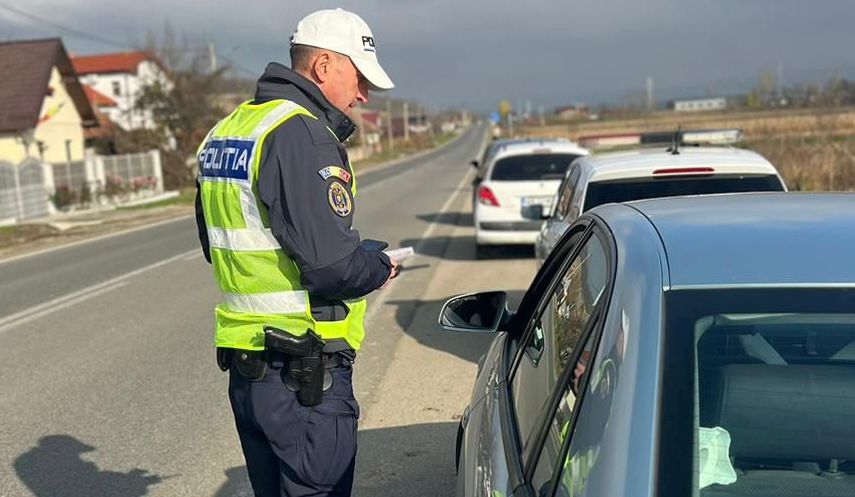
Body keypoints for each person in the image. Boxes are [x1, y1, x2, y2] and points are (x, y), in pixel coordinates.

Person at [194, 8, 398, 497]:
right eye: (359, 78)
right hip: (304, 376)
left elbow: (217, 246)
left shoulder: (229, 129)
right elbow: (332, 268)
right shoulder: (302, 135)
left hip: (250, 374)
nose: (363, 94)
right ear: (324, 66)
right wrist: (377, 265)